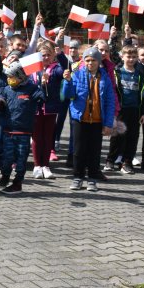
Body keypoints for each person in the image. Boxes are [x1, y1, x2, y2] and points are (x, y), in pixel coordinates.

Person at [62, 47, 116, 191]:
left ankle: (92, 178)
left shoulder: (105, 78)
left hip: (97, 120)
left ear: (99, 62)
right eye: (87, 60)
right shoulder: (77, 75)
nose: (90, 63)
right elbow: (68, 95)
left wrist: (108, 123)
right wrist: (67, 81)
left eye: (93, 60)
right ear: (83, 61)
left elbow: (110, 102)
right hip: (80, 119)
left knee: (94, 151)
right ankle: (78, 177)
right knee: (78, 151)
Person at [0, 62, 46, 194]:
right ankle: (5, 176)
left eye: (12, 77)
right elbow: (0, 99)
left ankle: (17, 183)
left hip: (24, 131)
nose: (9, 79)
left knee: (21, 158)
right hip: (8, 130)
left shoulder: (32, 88)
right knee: (7, 158)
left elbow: (42, 98)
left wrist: (43, 87)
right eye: (8, 77)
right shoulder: (6, 89)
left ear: (21, 77)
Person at [105, 45, 144, 175]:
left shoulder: (140, 75)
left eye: (134, 57)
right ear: (122, 57)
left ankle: (126, 162)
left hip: (135, 110)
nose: (131, 59)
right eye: (128, 57)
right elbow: (111, 93)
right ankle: (110, 160)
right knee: (117, 136)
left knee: (132, 137)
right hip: (120, 110)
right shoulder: (116, 73)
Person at [31, 41, 64, 180]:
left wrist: (60, 55)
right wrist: (40, 83)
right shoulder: (32, 69)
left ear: (52, 56)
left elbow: (65, 71)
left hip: (50, 109)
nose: (45, 58)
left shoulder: (56, 68)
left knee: (48, 138)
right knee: (37, 138)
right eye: (43, 55)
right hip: (35, 109)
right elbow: (28, 87)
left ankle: (46, 165)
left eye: (48, 55)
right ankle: (37, 165)